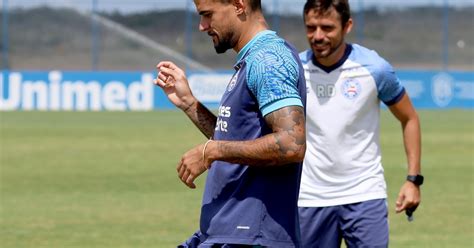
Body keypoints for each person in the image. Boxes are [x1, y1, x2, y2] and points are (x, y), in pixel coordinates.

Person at [154, 0, 307, 247]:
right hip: (228, 232)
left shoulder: (268, 59)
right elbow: (237, 137)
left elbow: (292, 143)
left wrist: (212, 151)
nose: (202, 26)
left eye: (207, 15)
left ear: (238, 4)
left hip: (251, 237)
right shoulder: (252, 59)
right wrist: (189, 104)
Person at [297, 0, 423, 247]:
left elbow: (409, 118)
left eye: (327, 27)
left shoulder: (374, 69)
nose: (318, 36)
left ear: (348, 26)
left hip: (365, 195)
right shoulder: (294, 70)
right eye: (311, 28)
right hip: (309, 198)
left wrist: (413, 180)